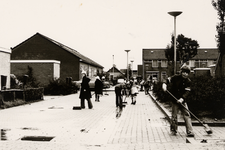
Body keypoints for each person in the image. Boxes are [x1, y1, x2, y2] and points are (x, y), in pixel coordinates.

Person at [162, 66, 194, 137]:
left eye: (187, 73)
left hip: (183, 100)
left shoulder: (188, 82)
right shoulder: (175, 77)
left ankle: (190, 131)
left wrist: (182, 99)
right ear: (181, 72)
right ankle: (174, 130)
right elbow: (167, 79)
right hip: (174, 100)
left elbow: (187, 92)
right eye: (183, 72)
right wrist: (164, 84)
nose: (185, 74)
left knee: (187, 115)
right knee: (174, 115)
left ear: (188, 74)